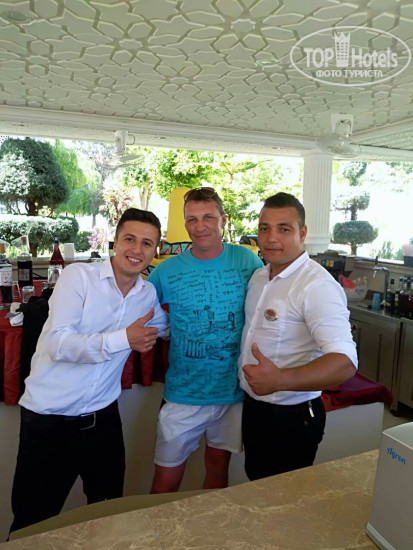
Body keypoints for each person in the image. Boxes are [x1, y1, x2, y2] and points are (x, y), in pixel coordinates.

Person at [9, 208, 169, 533]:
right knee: (32, 524)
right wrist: (124, 338)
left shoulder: (147, 294)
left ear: (156, 251)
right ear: (115, 242)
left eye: (147, 243)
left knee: (108, 514)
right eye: (130, 239)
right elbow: (58, 344)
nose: (137, 249)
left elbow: (165, 329)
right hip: (50, 420)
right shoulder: (78, 277)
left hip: (103, 419)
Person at [148, 187, 263, 493]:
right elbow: (135, 308)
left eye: (208, 217)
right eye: (192, 219)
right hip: (183, 393)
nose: (200, 227)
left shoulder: (247, 260)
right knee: (165, 481)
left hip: (232, 393)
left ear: (224, 219)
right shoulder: (166, 271)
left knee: (218, 469)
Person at [239, 192, 357, 481]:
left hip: (292, 416)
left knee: (283, 500)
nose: (271, 238)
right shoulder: (259, 277)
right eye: (264, 228)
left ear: (302, 233)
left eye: (284, 229)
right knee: (255, 485)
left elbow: (345, 362)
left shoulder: (316, 285)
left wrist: (279, 379)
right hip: (254, 408)